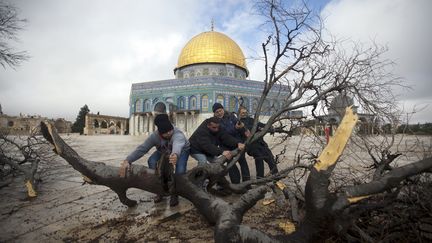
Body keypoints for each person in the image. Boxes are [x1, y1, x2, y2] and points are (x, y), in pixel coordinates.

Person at [119, 114, 189, 207]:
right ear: (160, 133)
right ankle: (159, 188)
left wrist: (175, 154)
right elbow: (142, 149)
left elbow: (178, 144)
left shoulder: (177, 134)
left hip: (182, 151)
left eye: (170, 130)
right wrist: (128, 160)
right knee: (151, 161)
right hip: (164, 150)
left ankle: (175, 193)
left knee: (180, 169)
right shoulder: (155, 137)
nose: (169, 133)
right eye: (166, 132)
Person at [212, 103, 250, 183]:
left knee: (243, 162)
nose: (219, 113)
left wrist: (244, 130)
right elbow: (224, 134)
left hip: (238, 144)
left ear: (223, 109)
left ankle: (247, 183)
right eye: (217, 112)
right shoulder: (215, 122)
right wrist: (235, 128)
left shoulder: (231, 116)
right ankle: (236, 183)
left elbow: (239, 125)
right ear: (214, 113)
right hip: (226, 146)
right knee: (231, 165)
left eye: (220, 110)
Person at [238, 106, 278, 179]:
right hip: (251, 146)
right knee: (259, 157)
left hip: (260, 143)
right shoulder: (239, 123)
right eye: (242, 113)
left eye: (245, 112)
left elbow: (260, 124)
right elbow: (245, 131)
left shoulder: (251, 119)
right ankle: (260, 178)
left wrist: (270, 126)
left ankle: (276, 176)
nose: (244, 114)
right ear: (239, 114)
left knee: (270, 157)